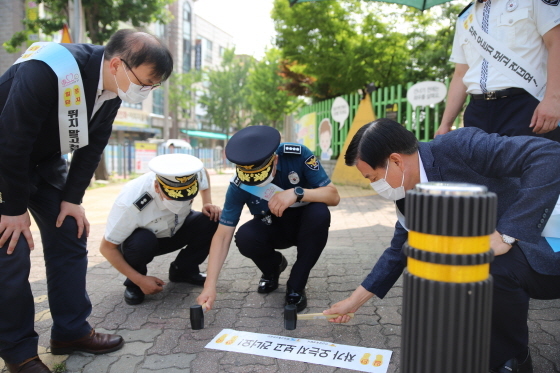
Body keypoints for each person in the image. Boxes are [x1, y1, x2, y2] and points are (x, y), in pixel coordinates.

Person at [323, 118, 560, 373]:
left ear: (396, 161)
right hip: (499, 260)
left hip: (544, 244)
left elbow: (549, 155)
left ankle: (512, 360)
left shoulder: (459, 146)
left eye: (373, 177)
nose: (374, 185)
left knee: (485, 265)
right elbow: (398, 252)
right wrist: (354, 302)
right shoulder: (408, 197)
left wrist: (507, 234)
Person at [0, 29, 173, 372]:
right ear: (117, 64)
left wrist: (72, 199)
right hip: (5, 159)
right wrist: (14, 209)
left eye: (154, 86)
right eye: (147, 82)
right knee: (11, 249)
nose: (147, 91)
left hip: (43, 163)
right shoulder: (47, 69)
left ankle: (70, 330)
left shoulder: (113, 87)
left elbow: (92, 146)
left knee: (71, 230)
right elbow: (12, 140)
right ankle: (18, 351)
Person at [197, 126, 340, 312]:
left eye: (259, 174)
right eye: (249, 177)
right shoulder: (238, 185)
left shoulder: (297, 155)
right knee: (245, 237)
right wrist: (210, 286)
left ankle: (296, 285)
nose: (255, 181)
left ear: (275, 159)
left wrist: (297, 193)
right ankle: (273, 268)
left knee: (320, 213)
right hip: (272, 226)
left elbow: (333, 196)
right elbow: (223, 236)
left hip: (306, 226)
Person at [99, 154, 220, 305]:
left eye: (187, 195)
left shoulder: (191, 174)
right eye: (173, 196)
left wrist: (206, 202)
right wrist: (140, 279)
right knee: (141, 242)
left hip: (176, 228)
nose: (180, 201)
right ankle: (136, 284)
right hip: (146, 242)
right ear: (157, 186)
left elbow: (203, 172)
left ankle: (183, 270)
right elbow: (107, 248)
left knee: (213, 219)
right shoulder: (130, 203)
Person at [434, 0, 560, 141]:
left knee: (532, 162)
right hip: (477, 111)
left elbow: (556, 43)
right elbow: (460, 74)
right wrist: (445, 124)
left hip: (525, 105)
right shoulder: (465, 18)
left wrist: (553, 100)